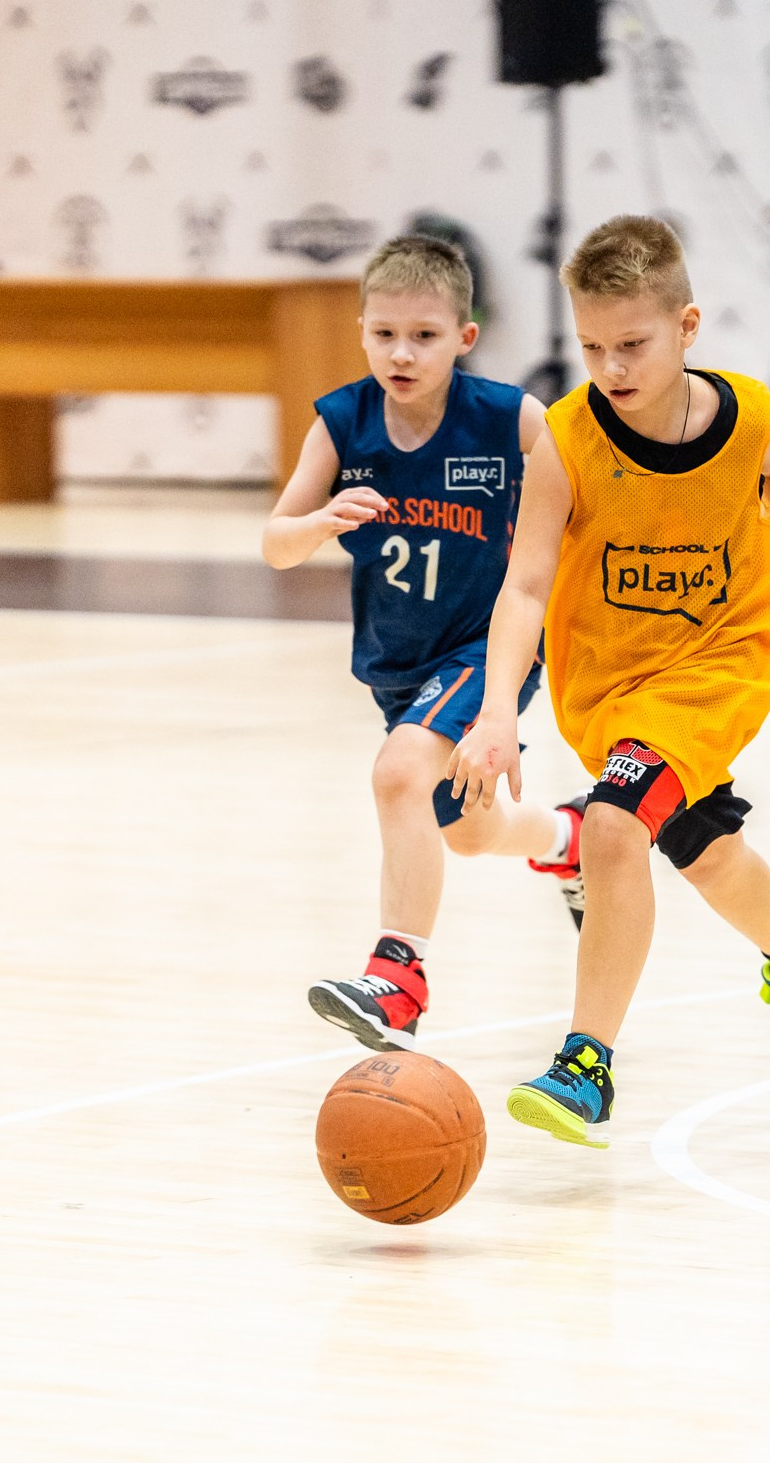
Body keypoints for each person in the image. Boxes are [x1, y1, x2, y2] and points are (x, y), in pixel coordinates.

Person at [448, 215, 770, 1147]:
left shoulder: (747, 414)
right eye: (592, 347)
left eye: (632, 344)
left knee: (611, 824)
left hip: (723, 656)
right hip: (611, 680)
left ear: (686, 326)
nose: (611, 367)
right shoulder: (565, 440)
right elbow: (524, 585)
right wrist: (497, 711)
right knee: (702, 850)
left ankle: (585, 1064)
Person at [263, 234, 586, 1052]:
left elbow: (584, 490)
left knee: (399, 772)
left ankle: (398, 979)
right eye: (384, 334)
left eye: (424, 335)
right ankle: (567, 839)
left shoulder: (508, 417)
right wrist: (318, 522)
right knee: (466, 830)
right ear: (362, 331)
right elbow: (275, 543)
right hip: (399, 666)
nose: (401, 353)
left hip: (486, 647)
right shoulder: (342, 423)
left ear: (464, 337)